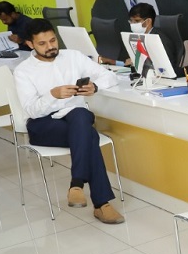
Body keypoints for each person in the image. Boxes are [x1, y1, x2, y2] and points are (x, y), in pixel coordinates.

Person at [14, 18, 125, 224]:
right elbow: (31, 110)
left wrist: (95, 87)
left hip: (76, 120)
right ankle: (101, 205)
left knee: (80, 116)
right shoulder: (23, 71)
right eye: (42, 43)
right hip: (43, 125)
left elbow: (109, 76)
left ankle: (77, 185)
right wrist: (53, 95)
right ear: (30, 44)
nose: (50, 47)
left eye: (52, 40)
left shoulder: (73, 57)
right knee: (88, 134)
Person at [127, 2, 182, 74]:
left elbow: (167, 68)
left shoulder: (160, 40)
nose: (133, 24)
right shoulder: (138, 38)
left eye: (137, 21)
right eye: (131, 21)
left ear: (148, 21)